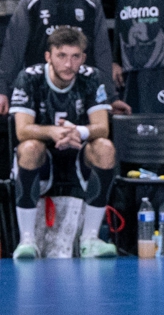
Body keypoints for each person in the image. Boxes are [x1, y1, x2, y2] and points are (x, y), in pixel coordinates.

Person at [10, 26, 118, 259]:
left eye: (75, 56)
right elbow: (22, 130)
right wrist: (53, 132)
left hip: (78, 151)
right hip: (43, 156)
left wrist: (77, 131)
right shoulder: (29, 78)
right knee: (29, 147)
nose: (69, 64)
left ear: (83, 58)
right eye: (62, 56)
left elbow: (102, 127)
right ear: (48, 56)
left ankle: (90, 239)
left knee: (105, 148)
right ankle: (27, 240)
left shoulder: (92, 77)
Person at [0, 0, 117, 114]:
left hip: (83, 91)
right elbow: (13, 51)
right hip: (40, 90)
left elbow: (102, 53)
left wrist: (111, 95)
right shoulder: (30, 3)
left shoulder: (91, 3)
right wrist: (3, 90)